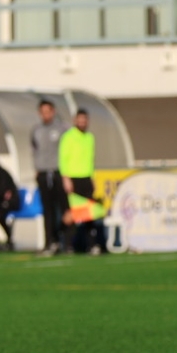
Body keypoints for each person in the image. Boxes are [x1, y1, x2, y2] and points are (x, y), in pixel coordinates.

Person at [58, 109, 103, 254]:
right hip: (73, 178)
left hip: (86, 178)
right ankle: (67, 244)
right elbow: (63, 158)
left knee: (89, 213)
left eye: (84, 120)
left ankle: (92, 245)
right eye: (80, 119)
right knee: (72, 213)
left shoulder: (90, 137)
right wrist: (66, 178)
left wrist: (92, 178)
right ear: (75, 120)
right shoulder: (68, 137)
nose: (82, 122)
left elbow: (91, 160)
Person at [32, 99, 69, 255]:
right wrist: (36, 169)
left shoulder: (63, 129)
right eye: (43, 112)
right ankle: (49, 242)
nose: (46, 115)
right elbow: (34, 150)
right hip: (42, 173)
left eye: (48, 111)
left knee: (64, 209)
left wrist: (67, 174)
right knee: (47, 210)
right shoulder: (36, 130)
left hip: (59, 173)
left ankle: (66, 243)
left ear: (53, 112)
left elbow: (69, 151)